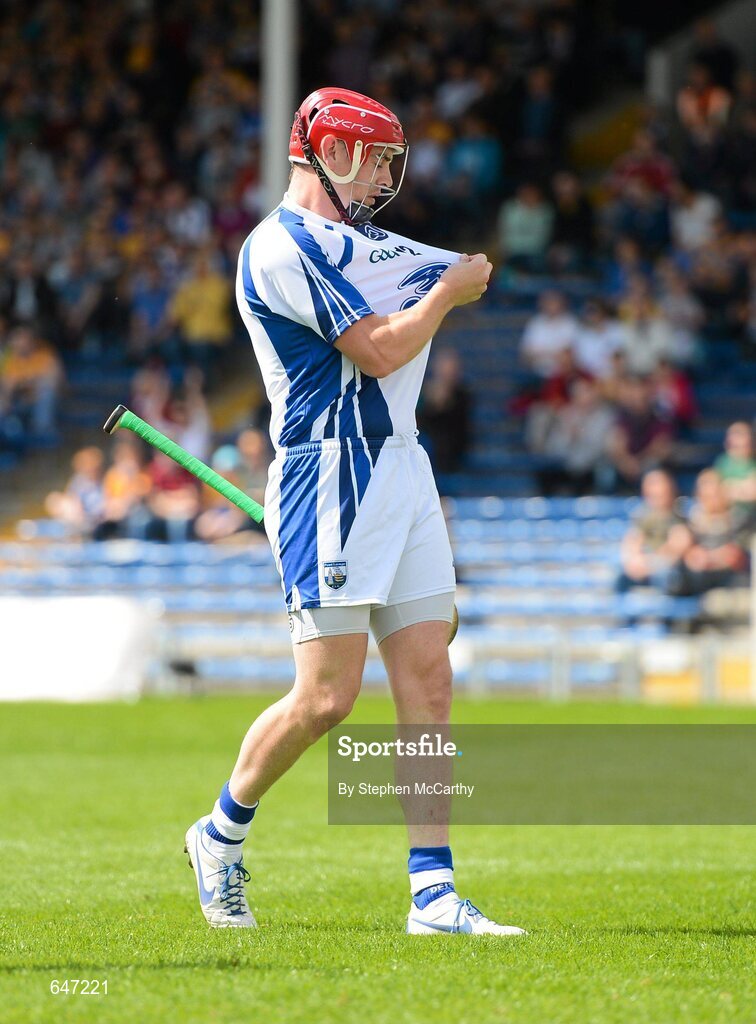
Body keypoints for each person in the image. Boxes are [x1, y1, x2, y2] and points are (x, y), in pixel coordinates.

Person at [183, 87, 524, 937]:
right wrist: (446, 292)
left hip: (403, 468)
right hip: (329, 477)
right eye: (373, 158)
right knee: (327, 699)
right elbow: (376, 351)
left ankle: (433, 893)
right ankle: (220, 833)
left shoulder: (361, 241)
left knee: (429, 680)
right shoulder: (278, 247)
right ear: (331, 153)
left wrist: (456, 274)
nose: (383, 177)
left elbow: (439, 271)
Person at [615, 469, 690, 592]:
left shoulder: (679, 516)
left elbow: (676, 549)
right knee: (620, 577)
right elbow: (632, 542)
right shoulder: (642, 516)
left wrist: (649, 564)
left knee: (666, 576)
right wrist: (634, 561)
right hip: (644, 565)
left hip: (666, 569)